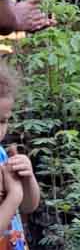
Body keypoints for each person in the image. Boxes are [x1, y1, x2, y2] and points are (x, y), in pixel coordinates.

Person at [0, 64, 41, 250]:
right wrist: (14, 195)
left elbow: (27, 207)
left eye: (2, 121)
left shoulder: (1, 154)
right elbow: (17, 200)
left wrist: (27, 178)